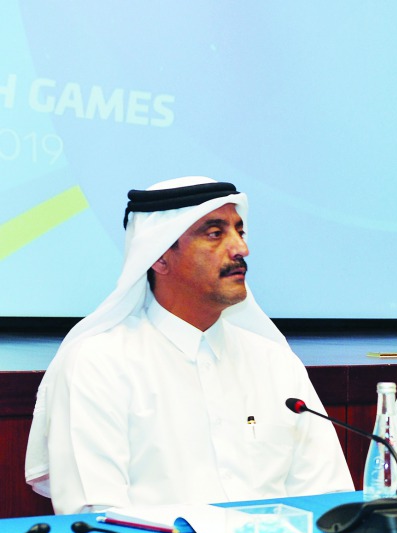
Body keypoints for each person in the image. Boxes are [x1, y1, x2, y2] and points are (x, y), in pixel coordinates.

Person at [26, 177, 353, 514]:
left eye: (239, 232)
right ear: (159, 258)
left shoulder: (276, 363)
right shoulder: (98, 364)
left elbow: (328, 502)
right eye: (215, 233)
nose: (241, 249)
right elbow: (96, 518)